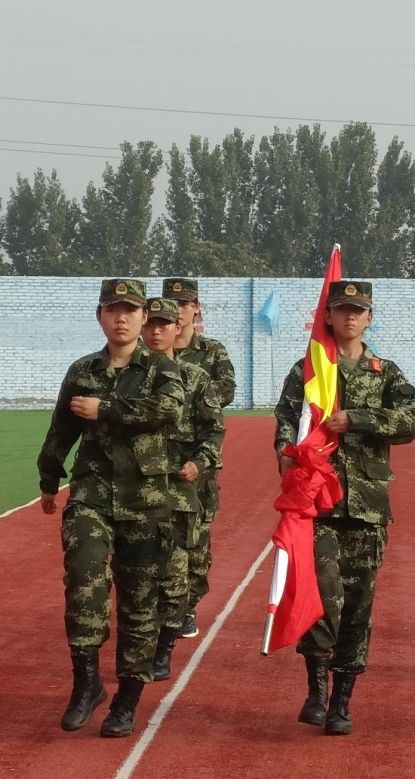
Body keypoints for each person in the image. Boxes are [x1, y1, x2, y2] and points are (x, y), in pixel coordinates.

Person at [274, 280, 415, 735]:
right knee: (320, 594)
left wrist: (357, 419)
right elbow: (286, 421)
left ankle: (342, 700)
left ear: (369, 318)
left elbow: (412, 420)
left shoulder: (385, 372)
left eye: (358, 310)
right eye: (342, 309)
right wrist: (286, 455)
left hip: (366, 508)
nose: (350, 317)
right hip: (318, 505)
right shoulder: (309, 369)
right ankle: (316, 689)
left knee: (358, 604)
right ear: (329, 316)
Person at [37, 279, 185, 737]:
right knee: (83, 580)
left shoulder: (162, 369)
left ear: (144, 318)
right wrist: (49, 479)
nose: (121, 318)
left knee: (140, 601)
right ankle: (86, 682)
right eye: (112, 309)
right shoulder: (83, 370)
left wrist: (105, 409)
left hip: (146, 501)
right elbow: (61, 428)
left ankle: (127, 699)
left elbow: (167, 411)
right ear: (100, 315)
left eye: (130, 310)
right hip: (92, 494)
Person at [141, 297, 224, 680]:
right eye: (151, 323)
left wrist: (200, 462)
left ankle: (164, 648)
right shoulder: (124, 375)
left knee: (177, 573)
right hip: (131, 492)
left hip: (178, 490)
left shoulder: (195, 378)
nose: (156, 331)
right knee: (137, 575)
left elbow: (213, 430)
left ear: (178, 328)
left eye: (164, 324)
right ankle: (140, 644)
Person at [162, 277, 235, 639]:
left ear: (196, 308)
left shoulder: (211, 351)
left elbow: (227, 390)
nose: (177, 311)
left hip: (196, 461)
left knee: (195, 540)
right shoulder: (149, 349)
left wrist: (189, 395)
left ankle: (188, 605)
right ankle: (161, 607)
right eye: (171, 304)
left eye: (184, 304)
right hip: (156, 460)